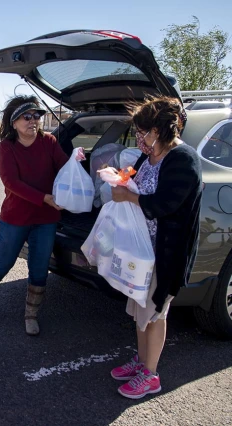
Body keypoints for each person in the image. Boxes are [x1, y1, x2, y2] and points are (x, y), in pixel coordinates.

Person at [109, 95, 202, 399]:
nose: (139, 138)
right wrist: (118, 179)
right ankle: (141, 360)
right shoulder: (147, 156)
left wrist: (130, 197)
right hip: (140, 253)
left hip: (163, 255)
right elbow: (132, 177)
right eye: (137, 132)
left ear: (161, 130)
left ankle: (151, 375)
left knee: (155, 314)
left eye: (143, 132)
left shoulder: (182, 159)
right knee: (138, 309)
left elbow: (165, 204)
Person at [0, 95, 69, 335]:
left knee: (39, 268)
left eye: (37, 115)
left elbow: (65, 168)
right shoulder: (7, 146)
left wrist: (78, 166)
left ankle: (31, 314)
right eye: (26, 117)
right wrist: (44, 198)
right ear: (14, 122)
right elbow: (11, 182)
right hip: (15, 217)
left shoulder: (49, 142)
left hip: (46, 219)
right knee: (3, 262)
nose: (33, 120)